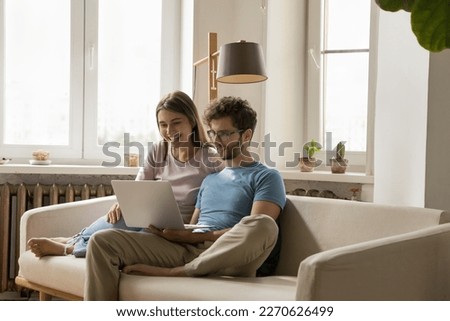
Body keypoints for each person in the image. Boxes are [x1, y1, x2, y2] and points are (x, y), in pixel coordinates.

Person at [84, 96, 286, 300]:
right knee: (102, 241)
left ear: (246, 136)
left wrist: (195, 237)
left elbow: (256, 229)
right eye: (213, 133)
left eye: (224, 134)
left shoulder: (267, 176)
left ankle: (179, 272)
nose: (216, 141)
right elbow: (192, 228)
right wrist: (171, 233)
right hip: (189, 250)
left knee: (265, 225)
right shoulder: (210, 179)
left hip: (230, 255)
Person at [27, 90, 223, 258]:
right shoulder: (159, 149)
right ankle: (75, 239)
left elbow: (227, 195)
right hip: (147, 217)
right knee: (120, 217)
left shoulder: (211, 159)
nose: (169, 131)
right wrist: (123, 203)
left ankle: (68, 248)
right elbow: (139, 186)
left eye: (176, 122)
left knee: (121, 239)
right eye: (163, 124)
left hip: (175, 230)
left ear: (192, 121)